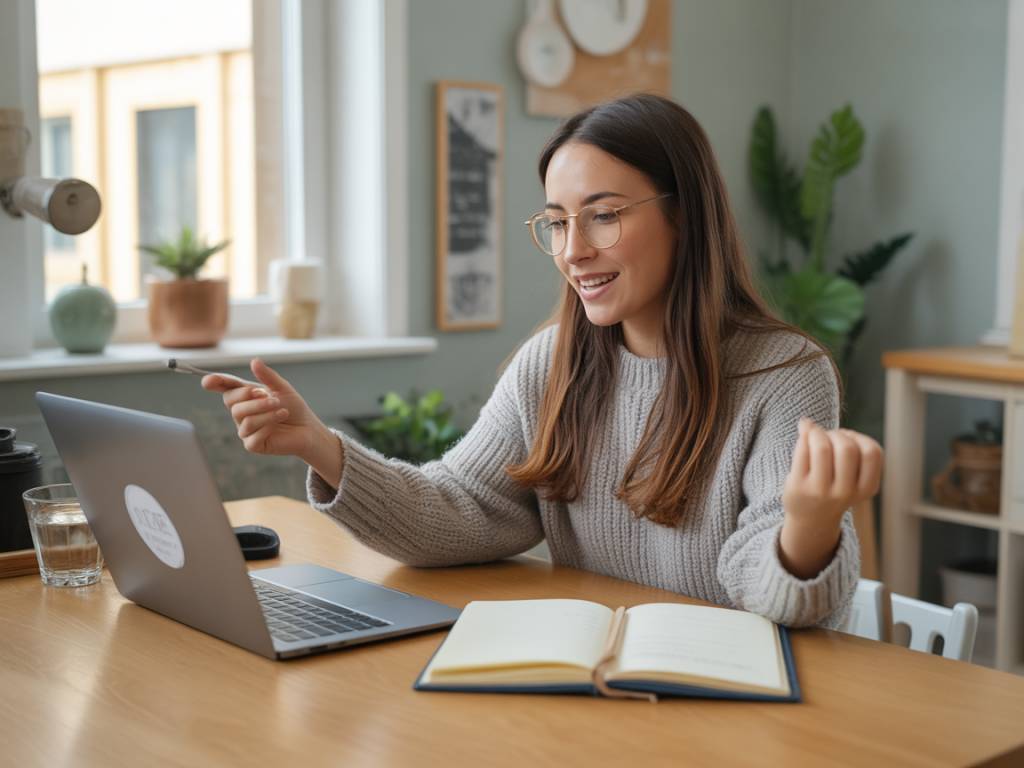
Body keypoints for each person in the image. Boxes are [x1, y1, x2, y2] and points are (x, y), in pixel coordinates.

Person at [203, 93, 881, 629]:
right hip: (601, 690)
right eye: (557, 222)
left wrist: (808, 530)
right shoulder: (553, 361)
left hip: (736, 708)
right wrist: (320, 446)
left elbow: (783, 603)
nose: (573, 250)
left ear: (685, 217)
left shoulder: (781, 375)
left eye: (603, 215)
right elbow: (461, 507)